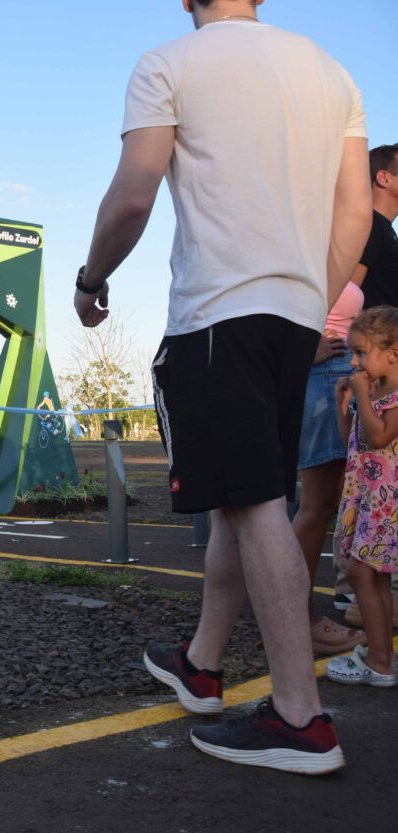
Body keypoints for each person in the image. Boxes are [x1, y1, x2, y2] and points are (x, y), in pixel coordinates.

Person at [73, 0, 372, 774]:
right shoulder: (332, 72)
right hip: (293, 318)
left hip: (216, 314)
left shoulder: (169, 63)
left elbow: (135, 193)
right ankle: (203, 663)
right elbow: (355, 214)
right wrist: (312, 305)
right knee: (249, 493)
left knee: (250, 502)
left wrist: (90, 277)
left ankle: (301, 717)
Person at [337, 143, 398, 628]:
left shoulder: (384, 232)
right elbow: (350, 291)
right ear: (383, 177)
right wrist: (350, 355)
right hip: (375, 376)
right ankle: (356, 602)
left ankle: (369, 609)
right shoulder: (371, 228)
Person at [291, 284, 366, 657]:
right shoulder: (303, 241)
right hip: (325, 377)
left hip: (342, 372)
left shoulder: (332, 239)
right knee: (316, 506)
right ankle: (297, 621)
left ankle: (300, 619)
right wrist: (302, 351)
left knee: (334, 503)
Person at [325, 307, 398, 687]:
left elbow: (380, 437)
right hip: (368, 499)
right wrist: (345, 410)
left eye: (360, 353)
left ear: (393, 354)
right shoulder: (374, 392)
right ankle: (382, 655)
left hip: (385, 505)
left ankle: (381, 662)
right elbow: (355, 444)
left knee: (359, 572)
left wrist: (363, 399)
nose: (354, 362)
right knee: (375, 578)